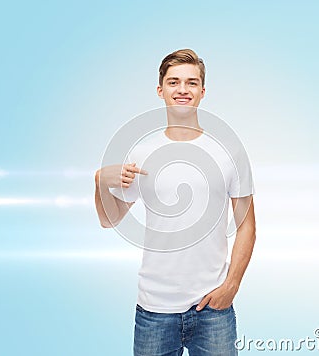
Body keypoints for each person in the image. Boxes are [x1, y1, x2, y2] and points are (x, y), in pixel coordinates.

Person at [95, 49, 256, 356]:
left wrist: (231, 286)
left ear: (202, 91)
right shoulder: (142, 151)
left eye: (191, 83)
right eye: (174, 82)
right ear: (161, 90)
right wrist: (99, 181)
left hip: (213, 310)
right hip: (154, 310)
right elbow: (109, 219)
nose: (182, 89)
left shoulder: (229, 150)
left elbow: (247, 224)